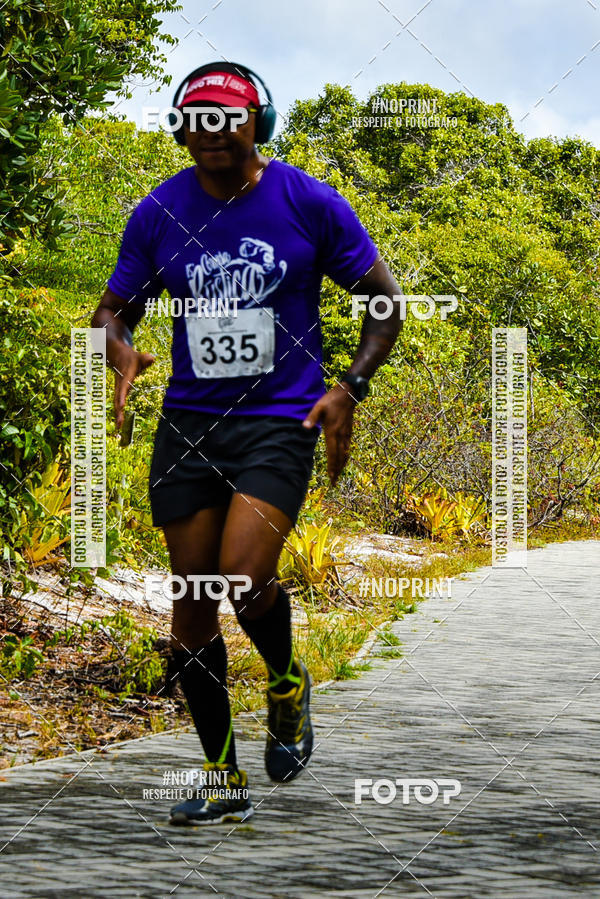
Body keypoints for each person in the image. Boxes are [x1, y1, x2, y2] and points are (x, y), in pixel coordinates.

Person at [91, 62, 402, 825]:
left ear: (256, 123)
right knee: (191, 607)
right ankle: (222, 778)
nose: (211, 136)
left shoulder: (307, 202)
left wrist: (348, 387)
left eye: (227, 120)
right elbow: (111, 311)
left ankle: (287, 678)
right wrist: (121, 351)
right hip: (190, 424)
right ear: (181, 129)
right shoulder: (159, 211)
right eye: (195, 121)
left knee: (241, 575)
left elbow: (385, 302)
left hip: (281, 419)